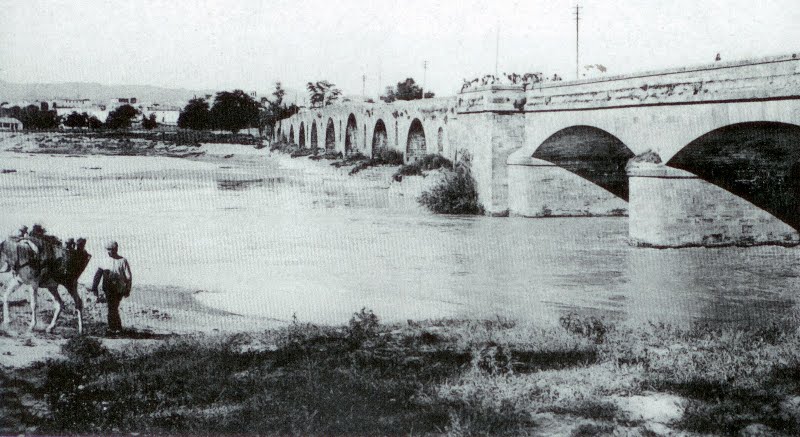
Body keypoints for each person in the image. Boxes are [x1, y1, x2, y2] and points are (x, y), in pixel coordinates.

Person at [89, 240, 132, 336]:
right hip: (108, 288)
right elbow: (98, 275)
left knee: (113, 307)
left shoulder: (122, 261)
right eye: (108, 250)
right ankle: (115, 328)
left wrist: (128, 289)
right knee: (112, 307)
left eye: (111, 249)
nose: (109, 252)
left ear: (116, 249)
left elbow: (128, 277)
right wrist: (94, 287)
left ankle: (114, 328)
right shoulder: (104, 261)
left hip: (119, 289)